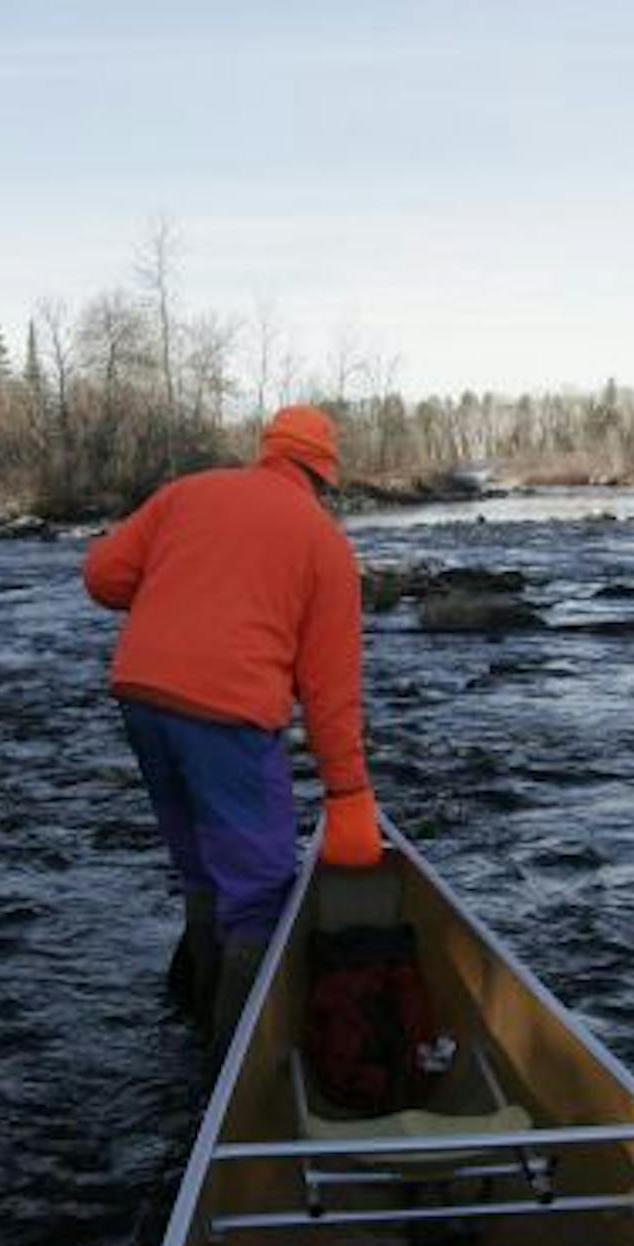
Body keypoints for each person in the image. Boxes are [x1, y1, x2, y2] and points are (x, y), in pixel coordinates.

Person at [82, 405, 383, 1046]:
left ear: (267, 451)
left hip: (141, 696)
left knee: (200, 868)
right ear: (324, 477)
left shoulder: (188, 492)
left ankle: (193, 1010)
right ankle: (235, 1068)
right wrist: (349, 796)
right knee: (259, 894)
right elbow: (330, 694)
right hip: (227, 714)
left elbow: (102, 576)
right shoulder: (324, 544)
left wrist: (183, 587)